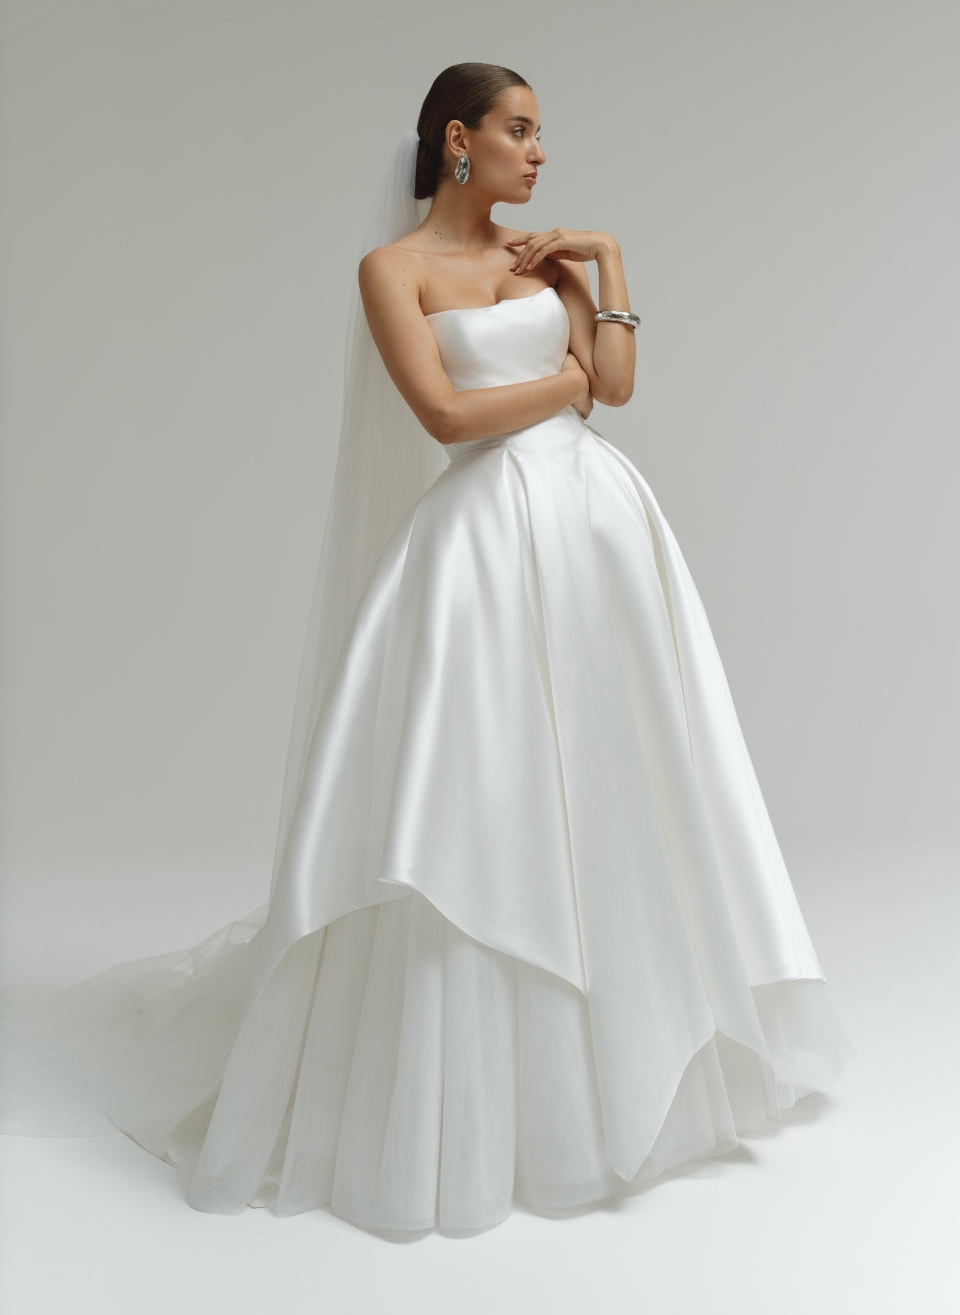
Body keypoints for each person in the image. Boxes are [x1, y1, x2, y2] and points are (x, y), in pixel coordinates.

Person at [0, 63, 854, 1241]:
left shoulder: (547, 260)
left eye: (543, 133)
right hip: (483, 545)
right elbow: (447, 417)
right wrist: (561, 381)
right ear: (458, 142)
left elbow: (615, 388)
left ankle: (622, 1056)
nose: (538, 152)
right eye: (519, 130)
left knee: (612, 775)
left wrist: (605, 265)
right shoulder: (392, 270)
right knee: (482, 788)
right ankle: (474, 1081)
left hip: (602, 532)